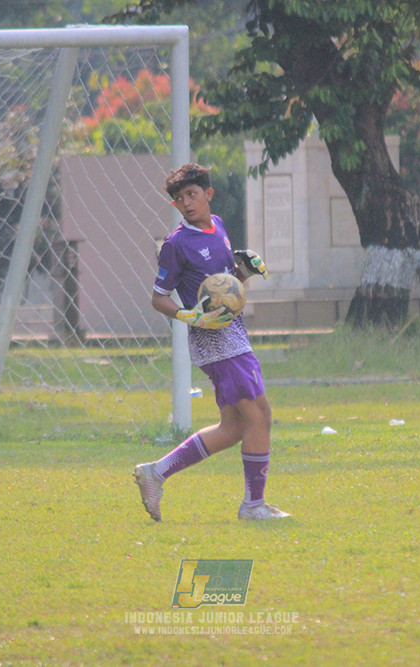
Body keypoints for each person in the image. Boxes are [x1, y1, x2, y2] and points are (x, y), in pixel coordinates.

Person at [133, 163, 289, 521]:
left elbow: (224, 287)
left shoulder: (218, 226)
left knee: (234, 427)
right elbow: (159, 298)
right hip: (214, 341)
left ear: (208, 194)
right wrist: (189, 316)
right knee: (260, 415)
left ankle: (156, 472)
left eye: (191, 194)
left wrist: (243, 273)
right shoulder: (175, 245)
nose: (186, 203)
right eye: (178, 199)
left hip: (233, 333)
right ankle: (253, 506)